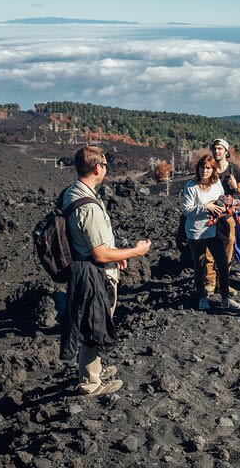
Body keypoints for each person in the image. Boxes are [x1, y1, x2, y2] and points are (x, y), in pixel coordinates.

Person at [60, 145, 152, 396]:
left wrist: (116, 255)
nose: (106, 170)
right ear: (98, 167)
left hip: (86, 267)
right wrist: (135, 251)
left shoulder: (72, 192)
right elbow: (100, 253)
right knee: (95, 325)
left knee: (93, 322)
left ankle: (94, 370)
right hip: (96, 274)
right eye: (105, 165)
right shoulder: (88, 206)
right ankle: (90, 383)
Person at [182, 155, 240, 311]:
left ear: (213, 169)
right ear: (198, 168)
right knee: (200, 266)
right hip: (196, 234)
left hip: (215, 231)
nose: (205, 170)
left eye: (208, 167)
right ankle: (202, 298)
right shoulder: (191, 186)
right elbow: (186, 211)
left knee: (222, 265)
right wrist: (206, 207)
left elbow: (222, 200)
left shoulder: (216, 184)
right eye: (202, 167)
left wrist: (223, 208)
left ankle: (225, 298)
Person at [203, 138, 240, 296]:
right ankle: (210, 281)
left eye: (220, 148)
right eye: (214, 148)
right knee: (209, 249)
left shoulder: (234, 169)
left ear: (226, 151)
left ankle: (222, 281)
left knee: (229, 246)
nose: (216, 151)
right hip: (211, 214)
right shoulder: (209, 168)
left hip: (227, 215)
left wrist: (234, 186)